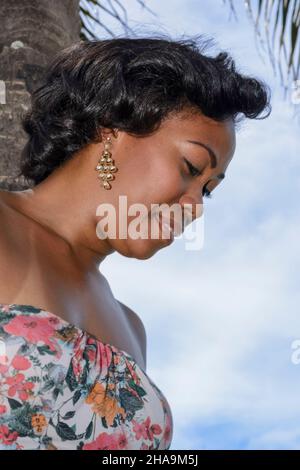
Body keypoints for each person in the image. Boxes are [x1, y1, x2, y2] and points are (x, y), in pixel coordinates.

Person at [0, 35, 271, 450]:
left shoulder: (132, 329)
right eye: (191, 166)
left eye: (209, 189)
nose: (195, 207)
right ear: (113, 129)